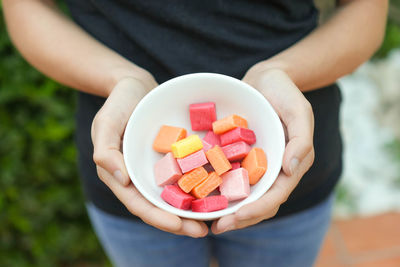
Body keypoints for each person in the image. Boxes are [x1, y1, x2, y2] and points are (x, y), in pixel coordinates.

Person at [3, 0, 388, 266]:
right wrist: (121, 78)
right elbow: (27, 7)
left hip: (289, 160)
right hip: (123, 160)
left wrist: (281, 71)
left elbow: (364, 11)